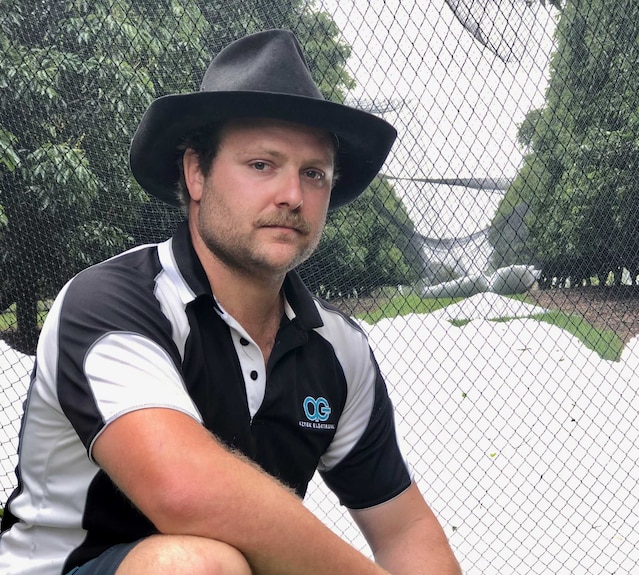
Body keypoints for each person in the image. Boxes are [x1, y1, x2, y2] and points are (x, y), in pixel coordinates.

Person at [0, 29, 461, 575]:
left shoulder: (339, 350)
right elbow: (185, 490)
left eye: (313, 173)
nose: (293, 195)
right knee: (196, 566)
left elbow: (404, 526)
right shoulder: (112, 303)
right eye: (262, 164)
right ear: (196, 173)